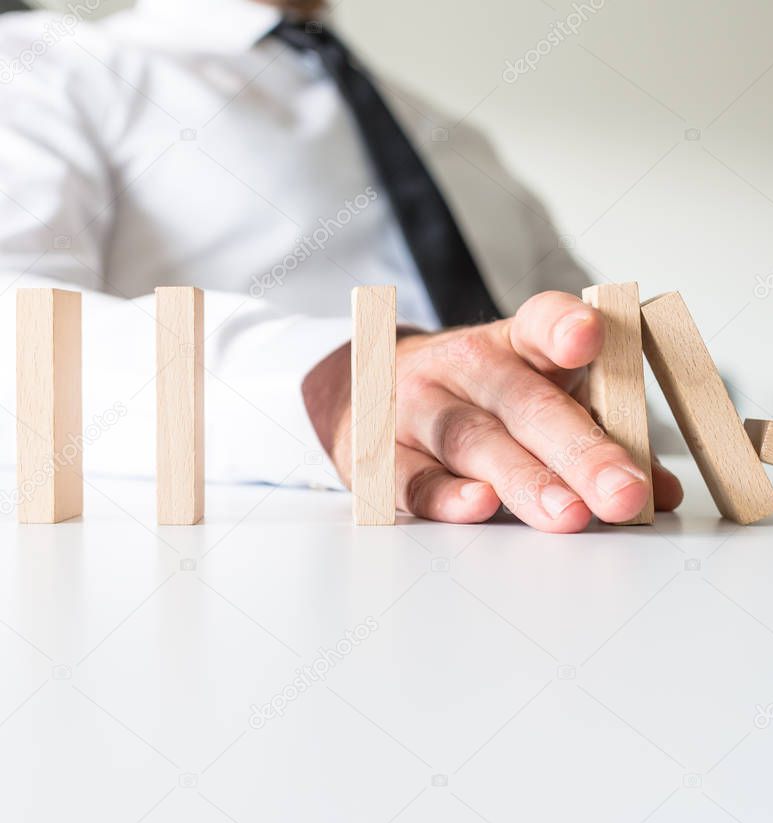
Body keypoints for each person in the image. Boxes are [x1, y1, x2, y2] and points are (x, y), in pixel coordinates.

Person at [0, 0, 682, 532]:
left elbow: (592, 359)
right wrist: (335, 385)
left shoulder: (454, 137)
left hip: (573, 553)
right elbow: (14, 328)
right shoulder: (44, 66)